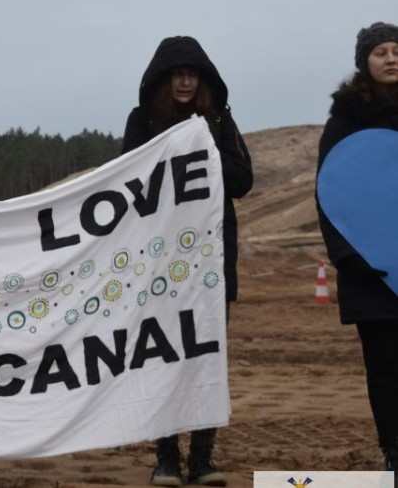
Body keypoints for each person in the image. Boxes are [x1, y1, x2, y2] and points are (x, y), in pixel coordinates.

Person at [121, 36, 253, 487]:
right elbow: (130, 183)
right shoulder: (142, 122)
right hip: (158, 263)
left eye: (192, 73)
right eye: (176, 74)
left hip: (213, 261)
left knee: (206, 357)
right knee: (159, 358)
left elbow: (241, 180)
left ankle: (202, 459)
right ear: (162, 80)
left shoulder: (220, 120)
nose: (184, 80)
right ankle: (165, 459)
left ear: (203, 78)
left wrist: (204, 147)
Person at [316, 21, 398, 472]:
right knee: (385, 368)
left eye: (396, 50)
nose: (391, 58)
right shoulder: (346, 121)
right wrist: (350, 257)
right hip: (371, 271)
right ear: (364, 61)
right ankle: (393, 451)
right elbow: (330, 193)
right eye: (381, 51)